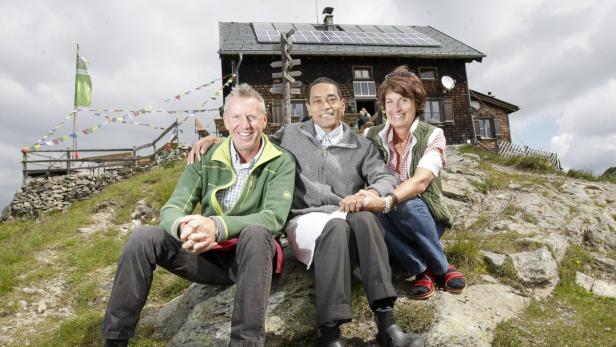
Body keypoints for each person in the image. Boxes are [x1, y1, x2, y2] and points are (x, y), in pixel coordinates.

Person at [189, 77, 424, 347]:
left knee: (367, 219)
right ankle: (330, 334)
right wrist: (215, 140)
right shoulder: (289, 135)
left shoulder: (362, 146)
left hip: (343, 214)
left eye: (331, 99)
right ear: (309, 108)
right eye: (317, 100)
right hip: (304, 219)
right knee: (335, 228)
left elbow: (384, 177)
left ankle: (387, 323)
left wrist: (370, 193)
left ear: (342, 105)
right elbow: (252, 142)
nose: (325, 105)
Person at [102, 84, 296, 347]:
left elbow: (273, 218)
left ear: (264, 120)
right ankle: (115, 339)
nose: (245, 125)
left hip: (252, 258)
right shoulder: (206, 156)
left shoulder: (282, 161)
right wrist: (184, 227)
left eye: (251, 117)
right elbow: (172, 208)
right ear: (226, 121)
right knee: (143, 237)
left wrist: (216, 226)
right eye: (236, 117)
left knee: (257, 232)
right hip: (207, 256)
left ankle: (245, 343)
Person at [341, 66, 465, 300]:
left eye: (403, 100)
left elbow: (421, 181)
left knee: (407, 204)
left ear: (416, 103)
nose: (395, 109)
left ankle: (440, 267)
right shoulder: (370, 136)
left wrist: (387, 201)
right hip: (387, 220)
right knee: (368, 216)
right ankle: (421, 269)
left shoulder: (433, 135)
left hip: (425, 217)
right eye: (390, 101)